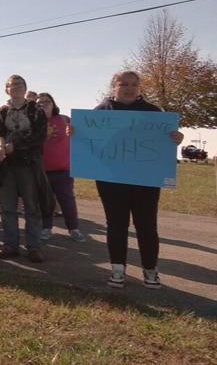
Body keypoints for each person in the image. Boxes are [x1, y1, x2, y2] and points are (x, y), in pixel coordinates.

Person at [70, 71, 183, 289]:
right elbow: (87, 142)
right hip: (111, 180)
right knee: (116, 225)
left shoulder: (153, 112)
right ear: (114, 86)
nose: (130, 88)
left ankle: (150, 271)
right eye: (124, 84)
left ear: (139, 88)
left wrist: (176, 139)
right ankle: (118, 270)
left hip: (145, 180)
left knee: (147, 225)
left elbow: (163, 144)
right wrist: (74, 132)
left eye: (134, 84)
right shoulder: (101, 112)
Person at [0, 75, 49, 263]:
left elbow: (38, 137)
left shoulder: (36, 110)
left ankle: (34, 247)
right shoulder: (1, 111)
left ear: (25, 88)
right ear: (6, 89)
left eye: (19, 84)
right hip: (6, 166)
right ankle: (10, 245)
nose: (15, 87)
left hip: (29, 164)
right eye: (11, 85)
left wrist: (12, 146)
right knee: (7, 207)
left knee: (32, 207)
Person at [36, 92, 85, 243]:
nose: (43, 104)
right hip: (42, 170)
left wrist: (75, 131)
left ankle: (74, 229)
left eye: (47, 101)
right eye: (39, 103)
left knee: (67, 201)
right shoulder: (34, 122)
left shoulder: (64, 119)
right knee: (45, 202)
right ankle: (46, 228)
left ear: (53, 104)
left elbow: (81, 133)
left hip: (63, 169)